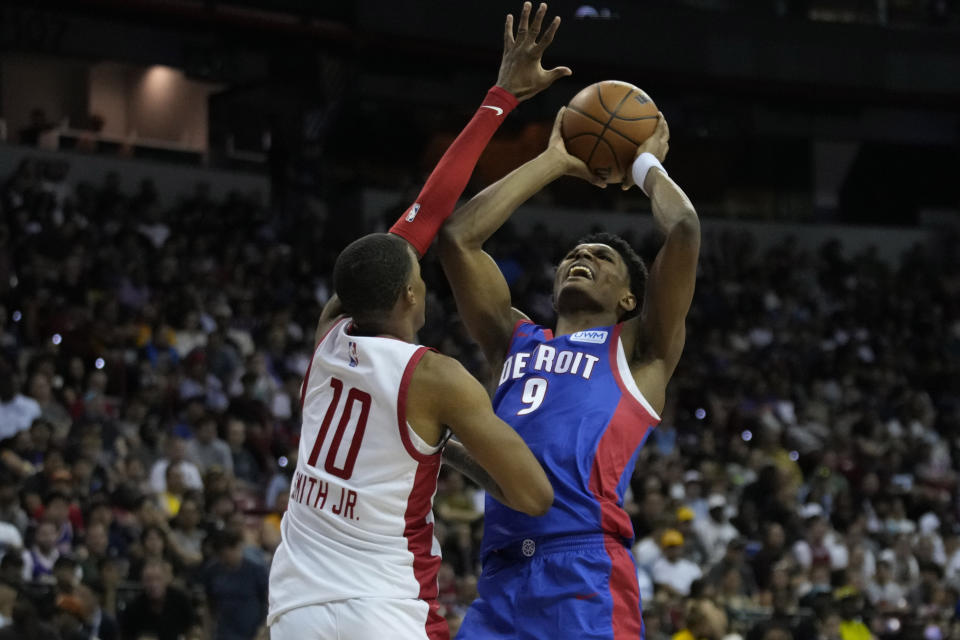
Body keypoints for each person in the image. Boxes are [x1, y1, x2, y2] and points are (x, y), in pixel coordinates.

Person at [267, 4, 567, 639]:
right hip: (384, 609)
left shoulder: (328, 336)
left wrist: (500, 98)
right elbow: (533, 496)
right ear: (410, 294)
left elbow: (422, 218)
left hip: (295, 608)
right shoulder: (436, 378)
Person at [438, 101, 698, 637]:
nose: (582, 256)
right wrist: (552, 160)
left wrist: (646, 165)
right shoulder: (512, 341)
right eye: (575, 253)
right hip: (501, 579)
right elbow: (458, 240)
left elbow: (685, 231)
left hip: (584, 573)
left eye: (602, 257)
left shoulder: (638, 349)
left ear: (629, 297)